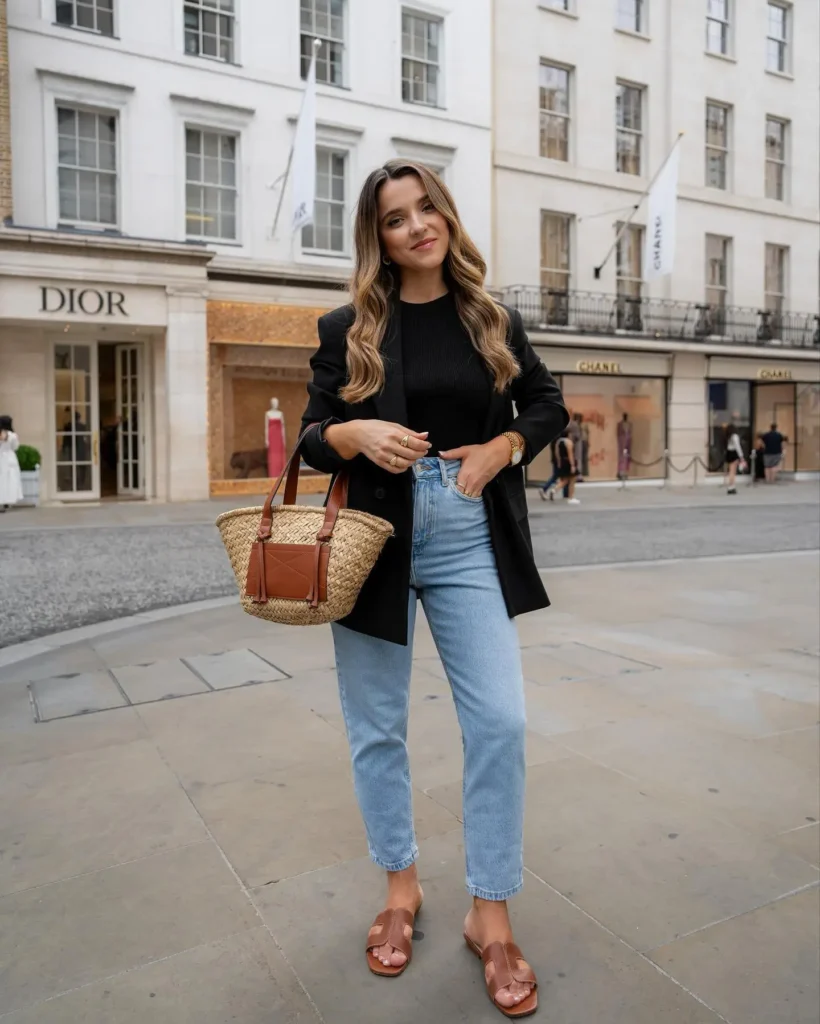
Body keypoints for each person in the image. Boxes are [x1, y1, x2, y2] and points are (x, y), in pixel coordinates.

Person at [300, 159, 568, 1017]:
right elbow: (309, 436)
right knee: (377, 728)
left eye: (424, 209)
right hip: (371, 540)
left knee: (501, 719)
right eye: (393, 218)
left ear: (445, 215)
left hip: (464, 532)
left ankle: (490, 911)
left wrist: (502, 451)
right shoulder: (349, 326)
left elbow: (547, 403)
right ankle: (401, 889)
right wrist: (352, 431)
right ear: (375, 237)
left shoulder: (491, 317)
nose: (414, 226)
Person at [0, 415, 24, 512]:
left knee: (2, 480)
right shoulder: (13, 435)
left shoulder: (1, 434)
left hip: (1, 457)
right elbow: (16, 447)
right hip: (10, 458)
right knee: (10, 480)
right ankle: (7, 501)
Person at [554, 428, 579, 504]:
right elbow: (570, 454)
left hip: (562, 462)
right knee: (573, 479)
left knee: (564, 480)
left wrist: (559, 463)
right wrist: (572, 465)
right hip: (568, 462)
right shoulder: (569, 442)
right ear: (568, 434)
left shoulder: (558, 442)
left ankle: (554, 490)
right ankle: (571, 497)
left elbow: (557, 453)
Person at [723, 423, 745, 495]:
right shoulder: (735, 436)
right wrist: (741, 456)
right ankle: (731, 487)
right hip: (734, 453)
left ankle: (731, 486)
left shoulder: (728, 436)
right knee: (733, 471)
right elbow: (737, 446)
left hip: (729, 452)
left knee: (730, 471)